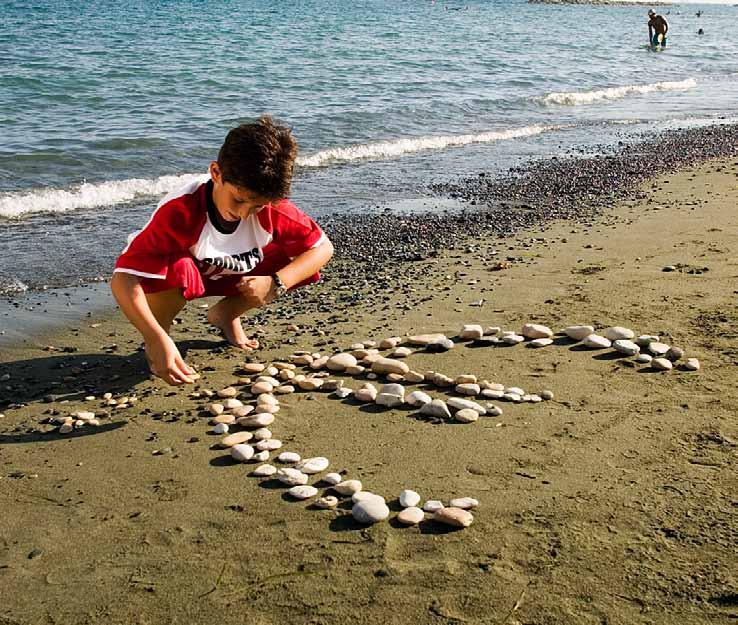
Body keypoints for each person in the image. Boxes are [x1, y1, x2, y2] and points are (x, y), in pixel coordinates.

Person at [111, 116, 334, 385]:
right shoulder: (181, 211)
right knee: (179, 269)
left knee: (300, 265)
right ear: (216, 173)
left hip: (229, 270)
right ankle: (160, 339)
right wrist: (155, 337)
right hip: (180, 274)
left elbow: (323, 248)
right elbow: (123, 278)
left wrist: (275, 283)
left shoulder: (273, 209)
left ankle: (226, 315)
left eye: (257, 206)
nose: (243, 213)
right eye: (238, 199)